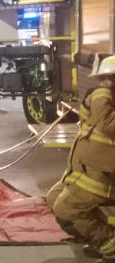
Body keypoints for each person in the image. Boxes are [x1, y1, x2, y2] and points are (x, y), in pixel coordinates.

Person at [46, 56, 115, 259]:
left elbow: (107, 125)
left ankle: (109, 243)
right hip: (85, 172)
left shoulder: (105, 103)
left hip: (105, 179)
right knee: (53, 198)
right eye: (102, 79)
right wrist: (90, 102)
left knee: (66, 208)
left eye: (109, 79)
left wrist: (101, 95)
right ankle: (99, 237)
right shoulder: (105, 103)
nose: (103, 85)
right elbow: (90, 121)